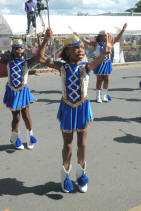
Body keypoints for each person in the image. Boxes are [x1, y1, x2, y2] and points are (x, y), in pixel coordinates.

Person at [38, 28, 113, 193]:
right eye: (75, 48)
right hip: (67, 107)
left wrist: (106, 51)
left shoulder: (86, 66)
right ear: (66, 52)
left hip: (83, 107)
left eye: (81, 47)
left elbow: (98, 60)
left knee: (83, 144)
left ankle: (81, 174)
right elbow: (40, 58)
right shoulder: (62, 67)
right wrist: (46, 40)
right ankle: (65, 175)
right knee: (68, 145)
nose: (80, 51)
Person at [0, 39, 38, 150]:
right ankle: (15, 137)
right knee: (16, 118)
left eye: (20, 48)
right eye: (16, 48)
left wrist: (43, 41)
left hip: (23, 91)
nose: (18, 50)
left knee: (26, 116)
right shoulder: (8, 61)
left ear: (24, 49)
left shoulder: (27, 62)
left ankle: (30, 136)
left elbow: (38, 56)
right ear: (12, 50)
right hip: (12, 91)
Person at [78, 23, 127, 103]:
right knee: (99, 80)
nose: (106, 36)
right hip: (99, 63)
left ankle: (104, 95)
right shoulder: (96, 44)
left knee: (107, 79)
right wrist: (78, 35)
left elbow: (117, 38)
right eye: (104, 35)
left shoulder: (110, 42)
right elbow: (86, 41)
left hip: (107, 63)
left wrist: (123, 30)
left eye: (106, 35)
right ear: (100, 36)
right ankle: (98, 96)